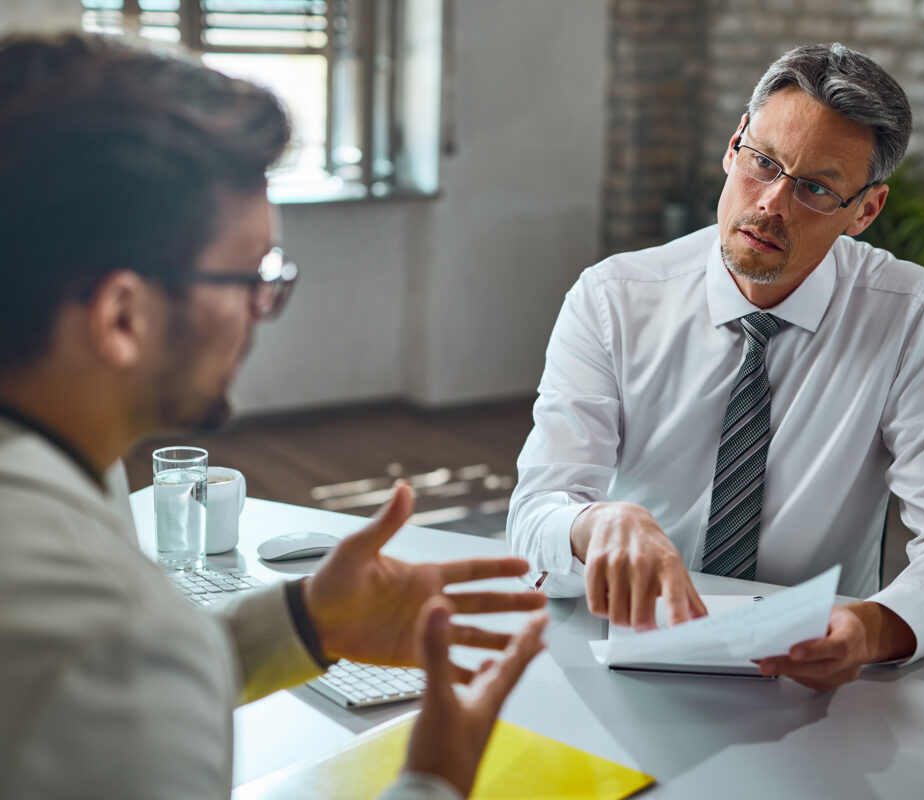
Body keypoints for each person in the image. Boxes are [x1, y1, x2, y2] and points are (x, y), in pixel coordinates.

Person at [0, 32, 548, 799]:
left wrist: (302, 622)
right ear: (123, 315)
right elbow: (112, 666)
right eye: (249, 275)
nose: (264, 310)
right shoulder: (107, 627)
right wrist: (433, 780)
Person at [507, 42, 924, 692]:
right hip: (616, 655)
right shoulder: (611, 299)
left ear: (866, 211)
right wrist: (592, 524)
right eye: (762, 162)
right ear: (735, 143)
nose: (772, 204)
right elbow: (534, 515)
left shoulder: (906, 314)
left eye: (817, 188)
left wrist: (877, 627)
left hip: (813, 678)